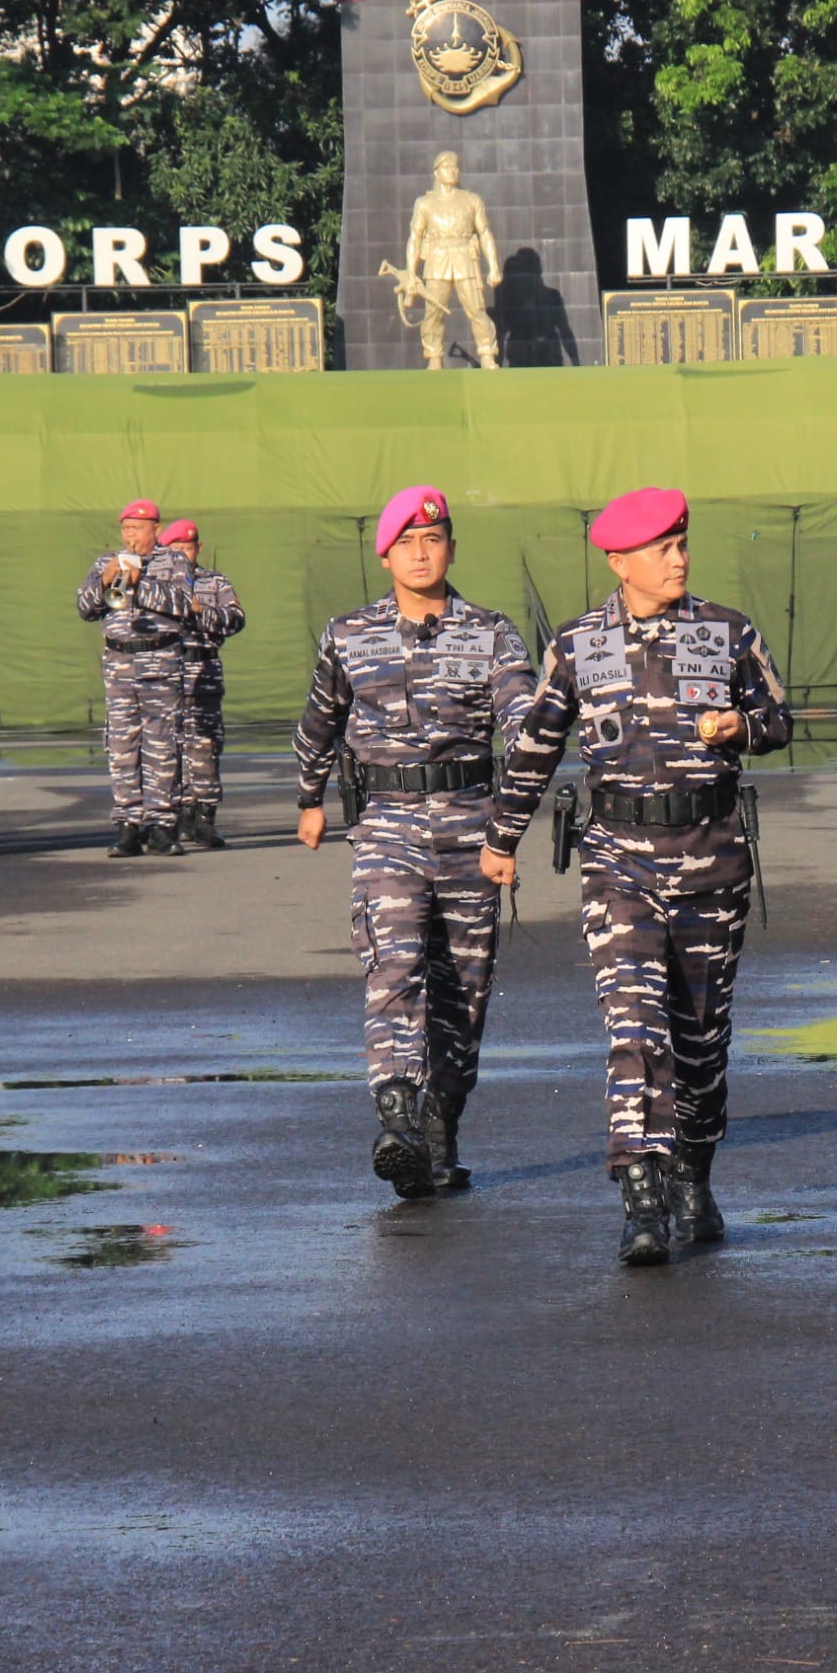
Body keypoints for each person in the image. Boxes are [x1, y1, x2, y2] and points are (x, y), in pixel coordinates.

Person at [482, 487, 792, 1266]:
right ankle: (641, 1199)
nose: (679, 559)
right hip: (620, 861)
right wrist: (500, 837)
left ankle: (695, 1177)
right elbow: (536, 747)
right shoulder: (579, 644)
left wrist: (741, 727)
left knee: (700, 1039)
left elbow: (781, 720)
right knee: (635, 1030)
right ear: (620, 562)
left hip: (712, 856)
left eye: (683, 544)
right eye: (661, 549)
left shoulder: (728, 632)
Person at [296, 487, 534, 1199]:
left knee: (464, 990)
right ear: (387, 554)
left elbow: (521, 713)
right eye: (408, 543)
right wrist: (309, 798)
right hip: (388, 825)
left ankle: (438, 1131)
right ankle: (396, 1117)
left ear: (452, 549)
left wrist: (520, 799)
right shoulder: (349, 633)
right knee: (393, 965)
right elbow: (320, 720)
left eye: (434, 540)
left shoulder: (491, 632)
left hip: (471, 825)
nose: (422, 553)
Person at [78, 499, 196, 857]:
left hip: (159, 661)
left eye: (137, 529)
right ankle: (128, 824)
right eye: (126, 529)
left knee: (161, 745)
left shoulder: (173, 561)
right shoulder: (106, 562)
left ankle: (161, 824)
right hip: (119, 665)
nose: (131, 536)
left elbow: (182, 604)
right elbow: (85, 608)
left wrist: (139, 582)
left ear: (155, 530)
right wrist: (106, 577)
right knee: (122, 746)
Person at [165, 519, 245, 848]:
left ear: (199, 548)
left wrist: (202, 612)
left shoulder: (215, 582)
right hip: (165, 671)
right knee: (168, 747)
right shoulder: (154, 583)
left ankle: (204, 818)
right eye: (176, 549)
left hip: (203, 667)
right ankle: (176, 816)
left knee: (206, 745)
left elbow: (235, 618)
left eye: (187, 548)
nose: (183, 555)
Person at [406, 150, 503, 370]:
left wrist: (494, 266)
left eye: (455, 166)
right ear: (436, 171)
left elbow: (485, 232)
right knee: (434, 311)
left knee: (476, 310)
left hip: (465, 258)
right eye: (447, 166)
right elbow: (415, 237)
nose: (453, 170)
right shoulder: (424, 203)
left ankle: (487, 353)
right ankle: (433, 356)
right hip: (436, 259)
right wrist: (411, 273)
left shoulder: (471, 200)